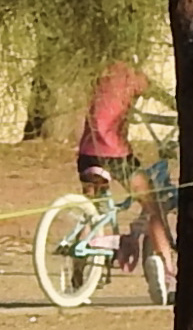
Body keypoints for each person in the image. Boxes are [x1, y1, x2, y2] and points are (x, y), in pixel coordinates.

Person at [70, 58, 174, 281]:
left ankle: (78, 272)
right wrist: (176, 108)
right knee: (152, 206)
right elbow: (158, 94)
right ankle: (167, 268)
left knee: (91, 210)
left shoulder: (99, 73)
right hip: (115, 154)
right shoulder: (134, 77)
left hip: (87, 152)